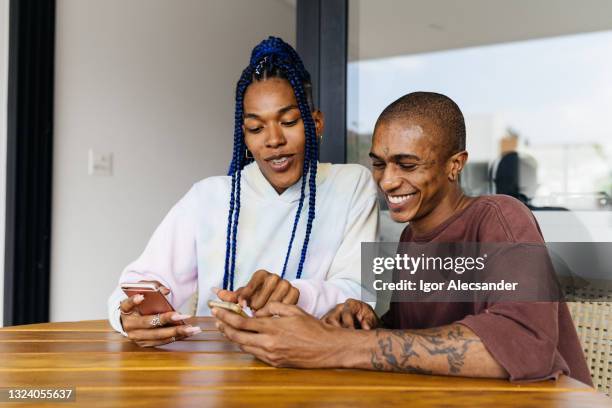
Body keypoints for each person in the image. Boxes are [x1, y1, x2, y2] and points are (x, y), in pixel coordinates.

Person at [212, 92, 593, 386]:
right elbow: (425, 336)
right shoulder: (412, 238)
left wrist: (332, 345)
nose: (388, 181)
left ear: (454, 164)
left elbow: (526, 345)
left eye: (407, 165)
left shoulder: (501, 217)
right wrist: (371, 322)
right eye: (379, 163)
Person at [108, 37, 378, 347]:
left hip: (313, 365)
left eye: (288, 121)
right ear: (244, 138)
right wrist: (128, 315)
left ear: (316, 123)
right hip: (217, 370)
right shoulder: (208, 197)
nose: (273, 139)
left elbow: (361, 294)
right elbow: (138, 284)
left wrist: (296, 293)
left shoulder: (353, 184)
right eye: (256, 127)